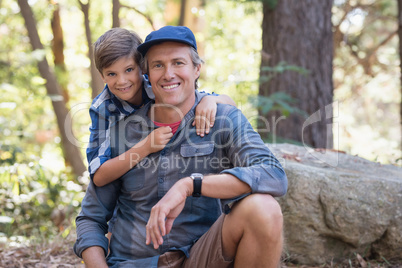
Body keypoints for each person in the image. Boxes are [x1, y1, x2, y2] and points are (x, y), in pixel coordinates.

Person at [74, 26, 288, 268]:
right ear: (148, 73)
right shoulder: (120, 128)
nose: (168, 74)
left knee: (263, 209)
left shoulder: (223, 119)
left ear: (197, 69)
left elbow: (273, 174)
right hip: (133, 262)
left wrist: (190, 185)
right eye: (158, 65)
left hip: (201, 258)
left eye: (178, 63)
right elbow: (91, 217)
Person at [87, 28, 236, 240]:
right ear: (102, 75)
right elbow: (99, 175)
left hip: (174, 175)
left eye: (129, 70)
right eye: (112, 74)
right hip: (129, 189)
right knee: (114, 232)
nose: (121, 81)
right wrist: (145, 146)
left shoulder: (158, 85)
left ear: (143, 68)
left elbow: (228, 102)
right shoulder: (103, 109)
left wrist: (210, 100)